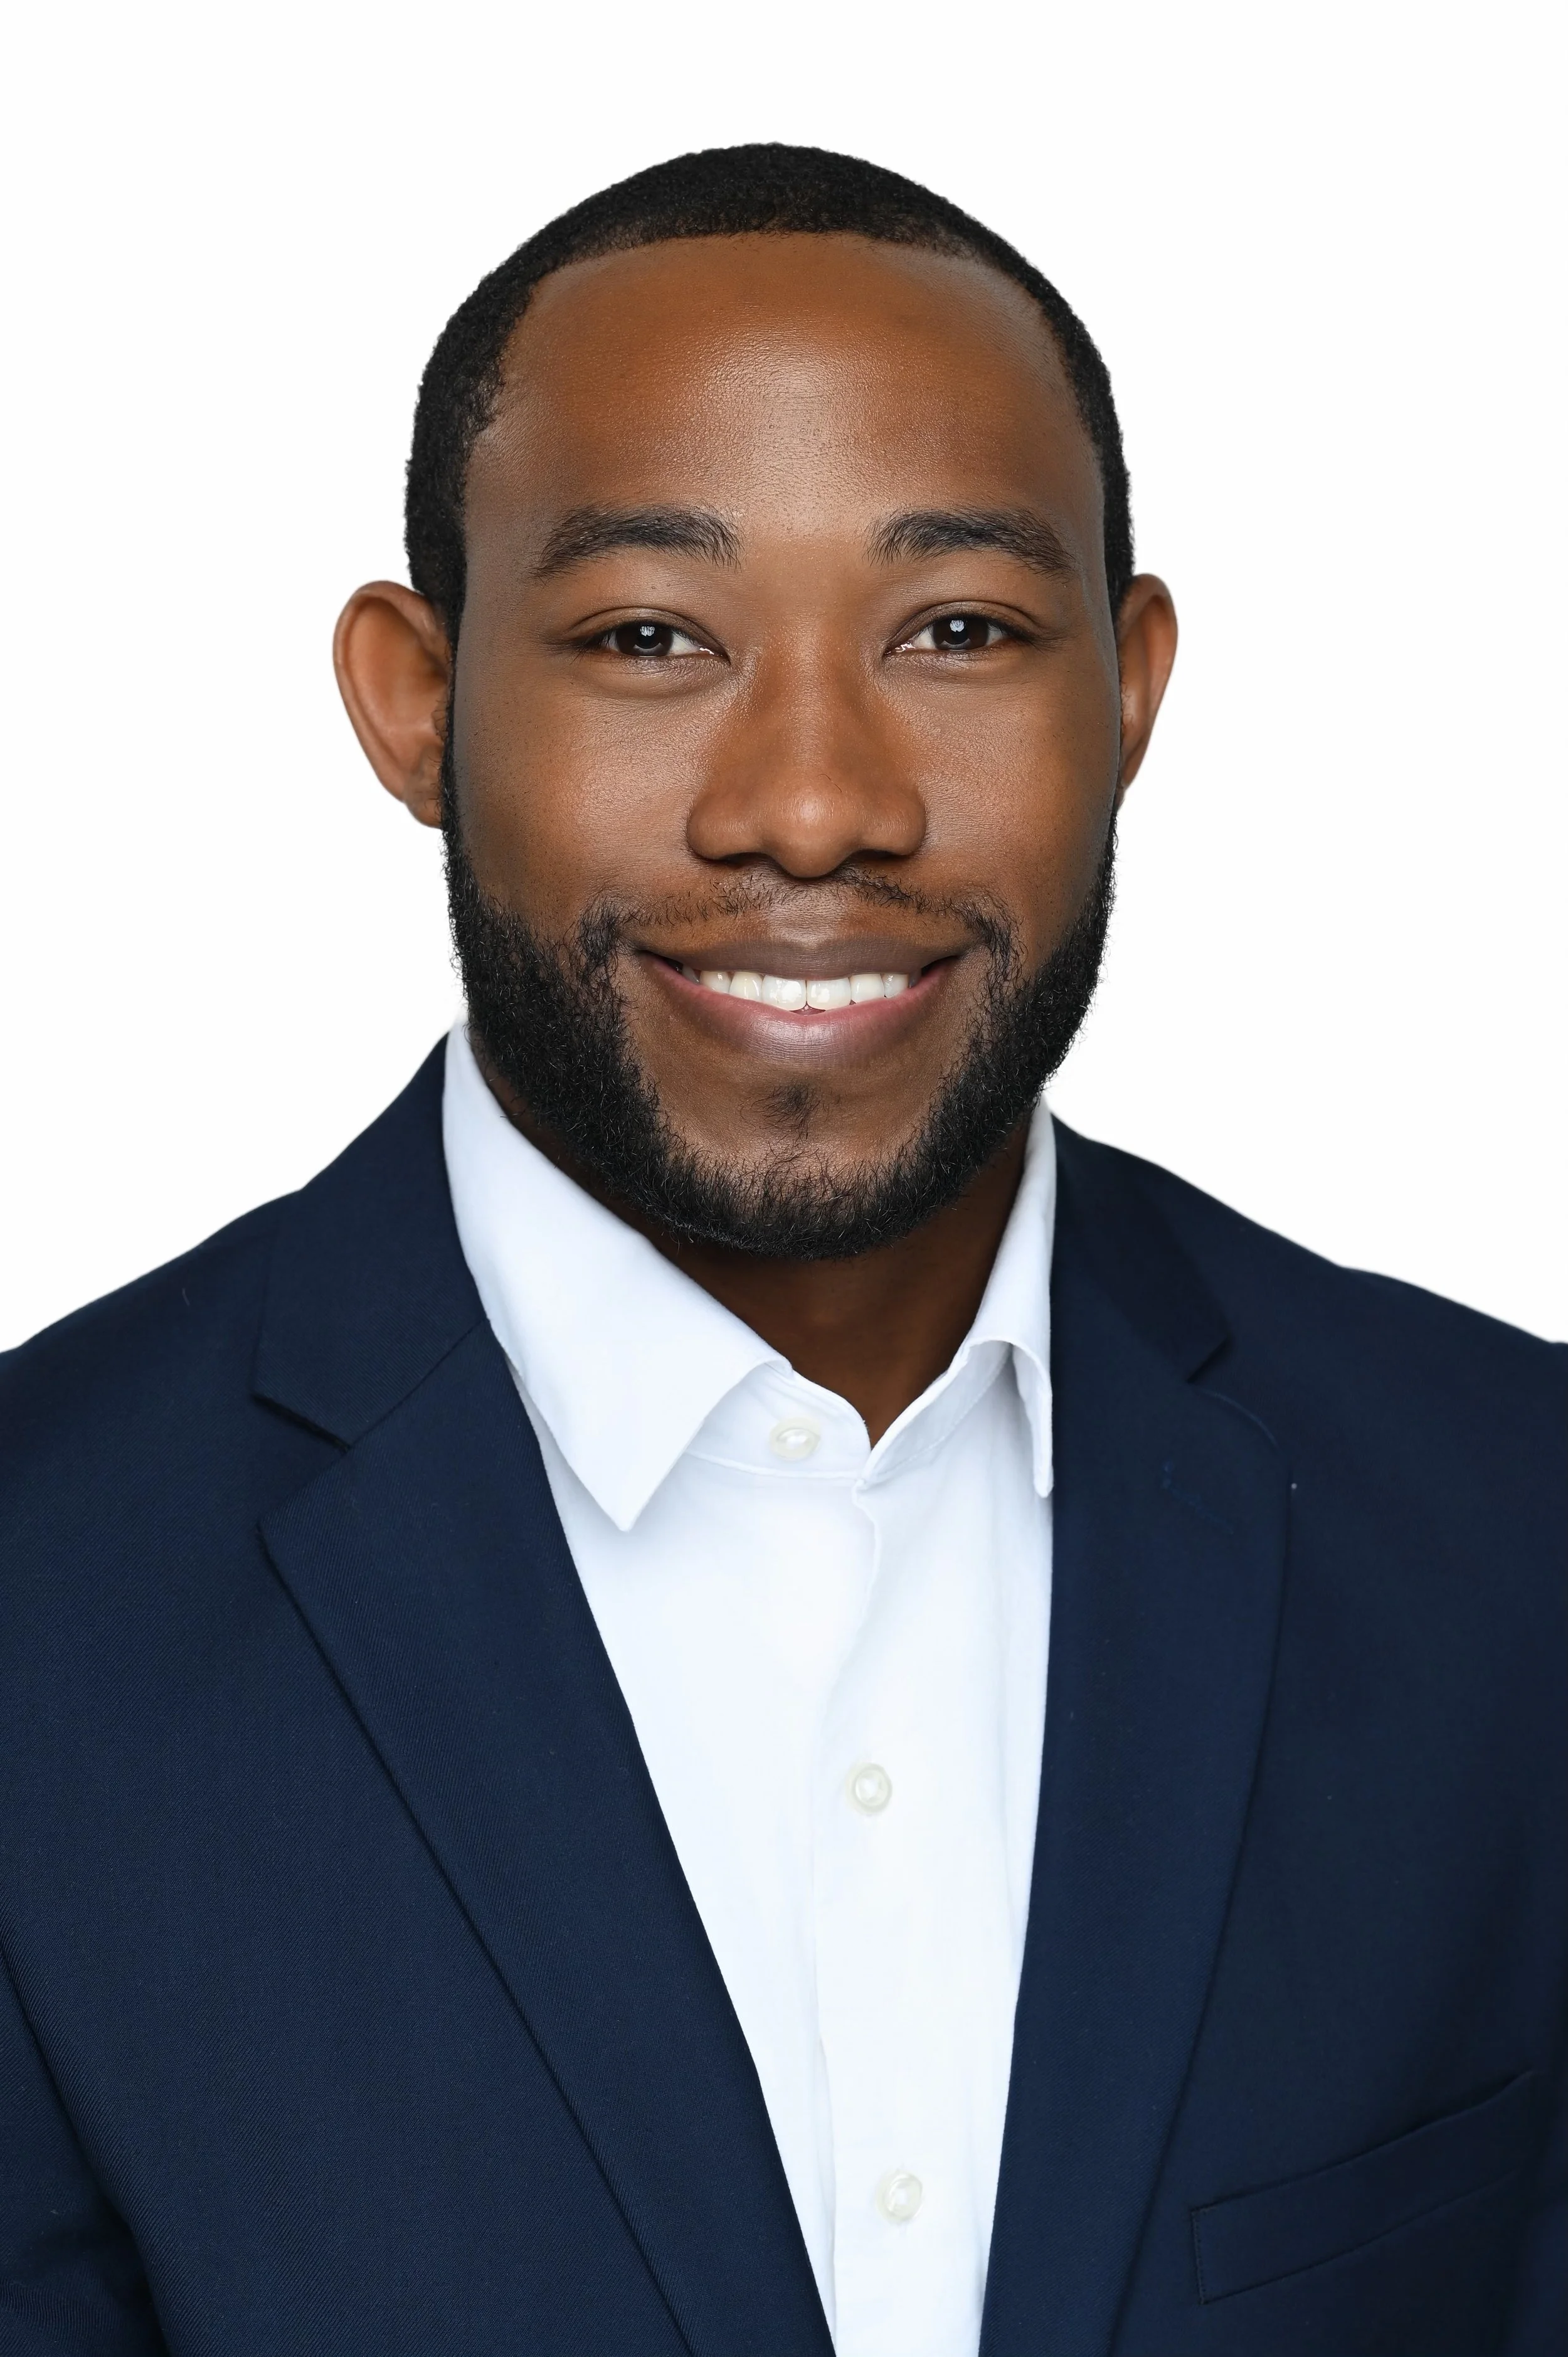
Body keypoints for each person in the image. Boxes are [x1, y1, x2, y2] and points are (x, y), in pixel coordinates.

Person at [0, 142, 1561, 2357]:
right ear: (412, 704)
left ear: (1124, 689)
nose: (813, 805)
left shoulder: (1511, 1528)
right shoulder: (41, 1594)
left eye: (956, 632)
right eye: (651, 638)